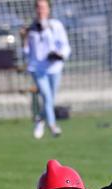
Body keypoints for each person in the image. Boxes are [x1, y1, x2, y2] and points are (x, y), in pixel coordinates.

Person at [21, 0, 71, 140]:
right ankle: (53, 126)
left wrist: (59, 54)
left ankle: (39, 119)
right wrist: (23, 38)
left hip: (54, 67)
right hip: (37, 68)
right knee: (47, 96)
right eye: (38, 7)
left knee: (50, 99)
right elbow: (26, 53)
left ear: (48, 9)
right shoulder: (30, 28)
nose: (41, 10)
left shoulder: (56, 25)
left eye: (43, 7)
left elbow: (65, 46)